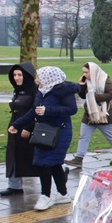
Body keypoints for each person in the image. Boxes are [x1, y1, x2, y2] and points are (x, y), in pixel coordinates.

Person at [9, 67, 78, 211]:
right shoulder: (42, 91)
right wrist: (16, 125)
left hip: (60, 132)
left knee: (43, 163)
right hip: (44, 131)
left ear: (49, 77)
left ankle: (45, 196)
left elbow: (72, 109)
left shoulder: (63, 91)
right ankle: (63, 194)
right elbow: (33, 112)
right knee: (53, 163)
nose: (37, 80)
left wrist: (48, 110)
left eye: (39, 77)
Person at [65, 62, 112, 167]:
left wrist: (94, 97)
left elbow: (111, 94)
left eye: (86, 72)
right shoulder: (87, 81)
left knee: (110, 136)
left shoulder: (104, 79)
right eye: (83, 72)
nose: (84, 75)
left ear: (93, 71)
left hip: (104, 114)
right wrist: (81, 86)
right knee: (83, 136)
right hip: (89, 114)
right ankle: (79, 158)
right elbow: (83, 96)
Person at [2, 63, 38, 197]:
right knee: (13, 154)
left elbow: (35, 110)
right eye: (14, 75)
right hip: (14, 127)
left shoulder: (35, 90)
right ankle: (14, 185)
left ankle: (57, 176)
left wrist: (28, 127)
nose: (16, 78)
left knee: (33, 158)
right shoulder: (17, 89)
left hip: (27, 127)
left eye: (20, 75)